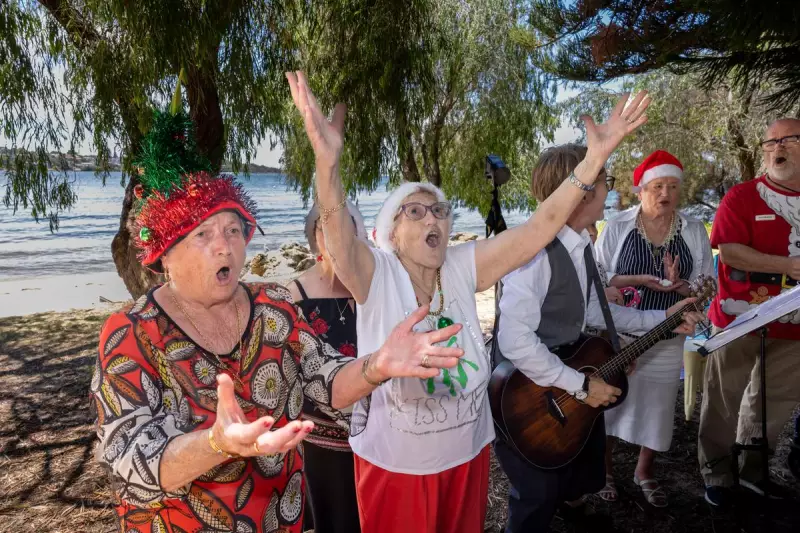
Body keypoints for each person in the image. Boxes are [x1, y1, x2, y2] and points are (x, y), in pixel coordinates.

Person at [287, 69, 652, 532]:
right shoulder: (377, 273)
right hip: (397, 467)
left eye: (439, 209)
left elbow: (538, 229)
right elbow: (338, 239)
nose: (431, 218)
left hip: (466, 455)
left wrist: (593, 160)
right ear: (391, 233)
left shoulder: (461, 266)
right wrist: (327, 165)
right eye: (414, 211)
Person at [90, 111, 466, 533]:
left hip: (279, 520)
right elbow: (129, 461)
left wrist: (376, 366)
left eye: (234, 230)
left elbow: (322, 380)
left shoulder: (273, 307)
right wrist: (218, 442)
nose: (225, 247)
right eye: (203, 234)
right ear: (164, 256)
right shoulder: (132, 333)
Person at [495, 144, 704, 531]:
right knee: (535, 496)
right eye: (605, 181)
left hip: (565, 378)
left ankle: (572, 511)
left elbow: (591, 311)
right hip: (528, 394)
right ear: (582, 191)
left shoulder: (580, 247)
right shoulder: (535, 253)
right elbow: (514, 341)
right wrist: (581, 386)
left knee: (580, 473)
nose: (610, 191)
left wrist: (664, 318)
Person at [594, 150, 714, 507]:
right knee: (612, 399)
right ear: (641, 191)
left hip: (670, 330)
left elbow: (707, 279)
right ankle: (605, 470)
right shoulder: (617, 226)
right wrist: (638, 278)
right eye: (658, 186)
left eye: (673, 186)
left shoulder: (693, 229)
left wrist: (682, 288)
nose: (666, 194)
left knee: (660, 403)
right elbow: (598, 277)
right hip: (622, 331)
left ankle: (644, 470)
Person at [698, 118, 800, 507]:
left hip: (795, 327)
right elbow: (730, 250)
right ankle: (719, 476)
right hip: (738, 320)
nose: (777, 148)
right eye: (770, 142)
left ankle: (754, 474)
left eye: (788, 139)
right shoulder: (741, 197)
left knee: (772, 405)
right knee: (723, 401)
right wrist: (787, 265)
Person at [289, 202, 367, 533]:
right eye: (325, 227)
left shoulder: (376, 286)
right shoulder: (295, 293)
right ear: (313, 236)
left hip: (380, 437)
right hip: (324, 443)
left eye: (345, 225)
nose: (335, 234)